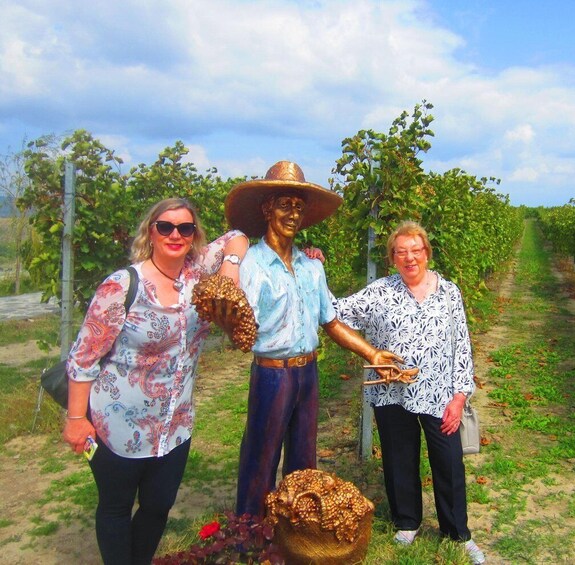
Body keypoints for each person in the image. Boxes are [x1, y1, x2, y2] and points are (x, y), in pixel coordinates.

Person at [62, 198, 249, 565]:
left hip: (174, 425)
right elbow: (84, 357)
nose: (175, 234)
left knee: (158, 505)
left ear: (194, 235)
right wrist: (75, 419)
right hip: (117, 426)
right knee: (115, 508)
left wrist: (230, 270)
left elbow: (238, 235)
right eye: (166, 226)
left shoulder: (198, 274)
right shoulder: (122, 285)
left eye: (185, 227)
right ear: (151, 231)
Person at [222, 160, 405, 520]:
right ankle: (248, 533)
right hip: (271, 374)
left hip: (308, 373)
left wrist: (371, 353)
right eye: (284, 204)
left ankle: (297, 531)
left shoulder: (311, 266)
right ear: (266, 209)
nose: (292, 214)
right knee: (261, 454)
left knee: (305, 457)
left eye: (298, 207)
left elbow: (332, 322)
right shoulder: (253, 265)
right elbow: (239, 328)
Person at [334, 221, 486, 565]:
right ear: (392, 258)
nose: (409, 258)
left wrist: (460, 396)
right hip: (393, 392)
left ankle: (457, 533)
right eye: (401, 252)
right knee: (398, 457)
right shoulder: (380, 291)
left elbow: (461, 345)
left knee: (448, 461)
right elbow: (337, 310)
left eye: (415, 250)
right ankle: (407, 522)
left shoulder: (449, 292)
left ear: (427, 253)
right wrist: (313, 266)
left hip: (438, 394)